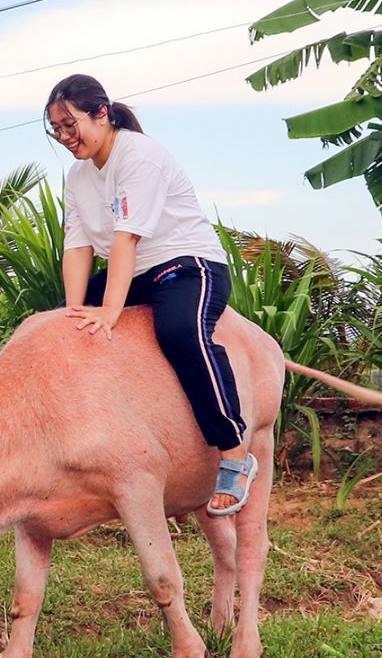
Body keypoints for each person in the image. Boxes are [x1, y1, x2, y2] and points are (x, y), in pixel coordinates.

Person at [46, 73, 255, 515]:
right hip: (138, 272)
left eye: (71, 124)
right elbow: (77, 247)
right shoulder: (78, 176)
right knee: (58, 324)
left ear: (101, 113)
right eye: (57, 130)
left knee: (181, 333)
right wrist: (73, 311)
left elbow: (126, 240)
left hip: (187, 263)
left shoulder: (139, 157)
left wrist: (109, 311)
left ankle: (235, 454)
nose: (65, 137)